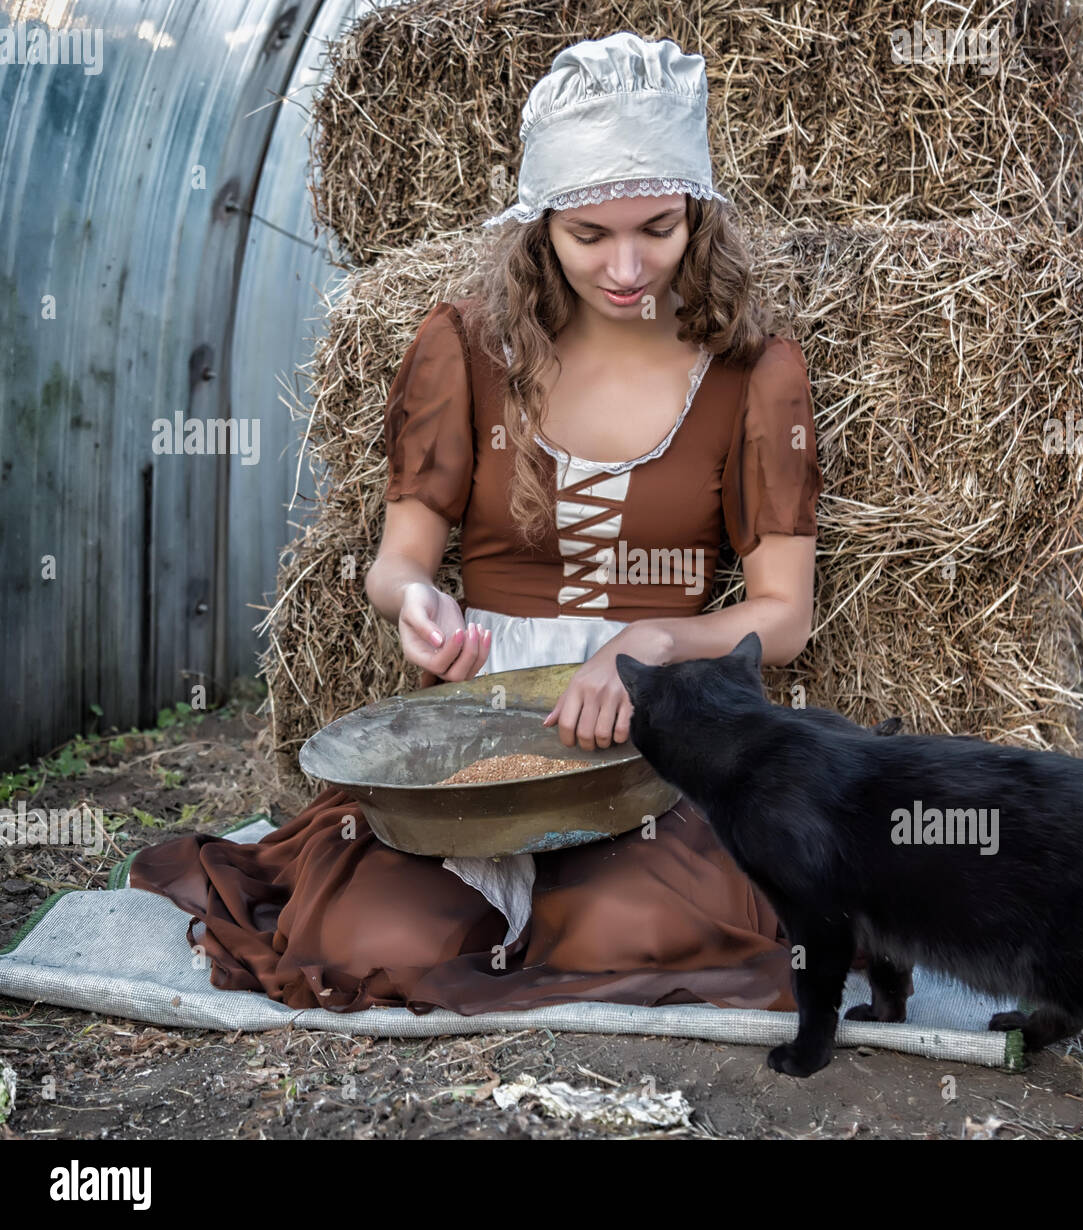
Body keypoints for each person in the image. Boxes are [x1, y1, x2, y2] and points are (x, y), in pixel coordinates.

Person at [129, 31, 824, 1015]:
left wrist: (652, 640)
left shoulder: (755, 372)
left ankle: (588, 900)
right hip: (476, 730)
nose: (628, 267)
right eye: (590, 235)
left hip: (658, 736)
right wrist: (418, 603)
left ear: (698, 214)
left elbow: (782, 615)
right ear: (539, 223)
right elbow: (397, 564)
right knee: (372, 944)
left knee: (641, 936)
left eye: (659, 229)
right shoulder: (460, 348)